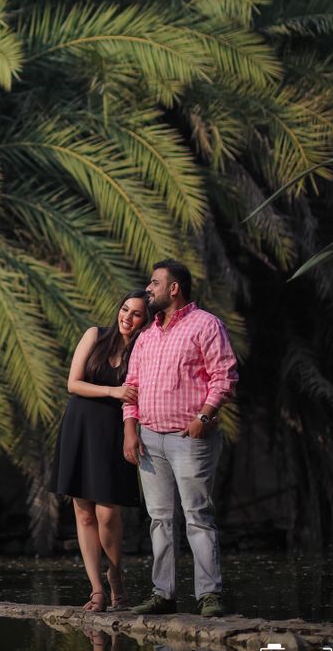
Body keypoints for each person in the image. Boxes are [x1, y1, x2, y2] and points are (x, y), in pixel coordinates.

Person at [122, 259, 238, 618]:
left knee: (197, 516)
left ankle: (209, 596)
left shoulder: (206, 325)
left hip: (190, 440)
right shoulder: (146, 336)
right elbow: (132, 386)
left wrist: (204, 416)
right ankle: (163, 594)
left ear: (174, 288)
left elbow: (225, 375)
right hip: (150, 440)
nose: (148, 289)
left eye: (154, 283)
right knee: (159, 519)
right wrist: (130, 429)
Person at [49, 293, 152, 612]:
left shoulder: (144, 350)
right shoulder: (95, 336)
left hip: (114, 430)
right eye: (125, 309)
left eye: (136, 314)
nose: (127, 317)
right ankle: (97, 590)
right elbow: (73, 383)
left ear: (145, 320)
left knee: (108, 512)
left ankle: (115, 576)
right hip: (79, 426)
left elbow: (139, 396)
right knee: (83, 511)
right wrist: (113, 391)